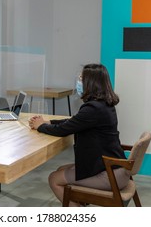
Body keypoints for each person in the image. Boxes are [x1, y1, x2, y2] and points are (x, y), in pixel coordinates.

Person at [28, 63, 130, 207]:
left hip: (109, 175)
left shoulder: (93, 109)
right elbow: (74, 121)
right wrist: (48, 121)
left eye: (82, 78)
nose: (78, 81)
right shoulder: (104, 104)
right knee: (60, 170)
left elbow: (63, 130)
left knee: (54, 179)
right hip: (115, 168)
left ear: (91, 83)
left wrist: (41, 126)